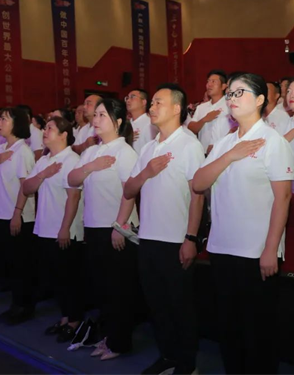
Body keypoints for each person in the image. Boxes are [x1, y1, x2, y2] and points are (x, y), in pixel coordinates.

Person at [193, 73, 294, 375]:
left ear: (261, 99)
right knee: (229, 328)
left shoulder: (273, 142)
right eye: (231, 93)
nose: (232, 98)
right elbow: (198, 183)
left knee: (258, 331)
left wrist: (271, 249)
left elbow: (283, 198)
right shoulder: (224, 143)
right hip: (222, 248)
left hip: (256, 252)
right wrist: (230, 156)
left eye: (241, 92)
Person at [123, 84, 204, 375]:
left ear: (177, 108)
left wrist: (190, 238)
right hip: (147, 238)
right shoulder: (148, 147)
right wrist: (147, 172)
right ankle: (168, 356)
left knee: (180, 305)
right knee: (156, 304)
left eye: (159, 102)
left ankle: (187, 364)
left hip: (176, 240)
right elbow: (129, 189)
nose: (152, 107)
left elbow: (198, 195)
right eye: (152, 102)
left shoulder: (189, 145)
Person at [68, 98, 139, 361]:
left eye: (102, 115)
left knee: (119, 289)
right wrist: (91, 167)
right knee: (102, 288)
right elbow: (72, 179)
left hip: (117, 230)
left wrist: (119, 226)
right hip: (95, 228)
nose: (95, 120)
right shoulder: (90, 152)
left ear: (118, 122)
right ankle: (108, 337)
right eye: (95, 114)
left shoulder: (125, 152)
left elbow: (129, 193)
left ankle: (120, 342)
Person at [24, 116, 84, 343]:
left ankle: (74, 320)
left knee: (69, 277)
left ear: (63, 135)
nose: (44, 132)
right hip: (44, 228)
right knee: (56, 277)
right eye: (45, 128)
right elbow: (27, 188)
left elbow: (73, 197)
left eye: (50, 128)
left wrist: (65, 228)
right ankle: (65, 316)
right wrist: (43, 174)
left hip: (64, 229)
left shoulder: (72, 159)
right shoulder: (44, 160)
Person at [0, 107, 36, 325]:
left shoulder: (23, 151)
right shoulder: (0, 147)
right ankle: (16, 304)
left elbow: (26, 187)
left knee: (20, 264)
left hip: (17, 216)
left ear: (17, 123)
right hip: (0, 214)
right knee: (10, 264)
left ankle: (24, 307)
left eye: (4, 119)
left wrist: (17, 213)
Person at [188, 70, 232, 154]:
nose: (209, 84)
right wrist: (204, 119)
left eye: (213, 81)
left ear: (223, 86)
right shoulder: (201, 107)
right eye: (208, 81)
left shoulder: (229, 105)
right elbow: (191, 128)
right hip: (202, 153)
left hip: (223, 153)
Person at [125, 89, 158, 154]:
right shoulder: (126, 124)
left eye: (132, 97)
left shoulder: (150, 123)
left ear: (143, 102)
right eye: (127, 98)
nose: (128, 100)